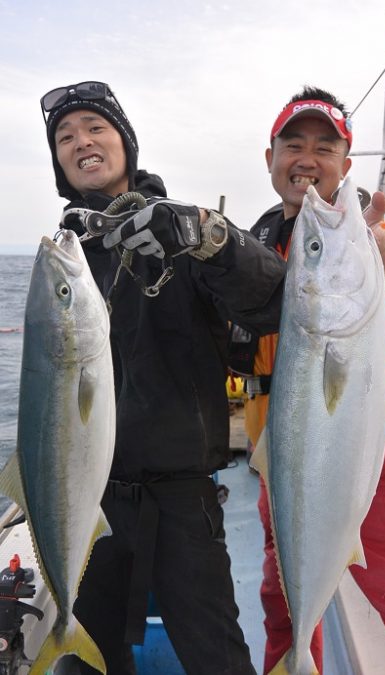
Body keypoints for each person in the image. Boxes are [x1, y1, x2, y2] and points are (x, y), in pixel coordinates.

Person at [40, 80, 288, 675]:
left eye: (96, 128)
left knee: (217, 659)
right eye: (65, 137)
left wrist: (213, 236)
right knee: (87, 665)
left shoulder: (185, 234)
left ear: (125, 143)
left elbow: (272, 302)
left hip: (183, 499)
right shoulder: (64, 258)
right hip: (88, 498)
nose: (82, 143)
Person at [231, 86, 385, 674]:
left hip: (372, 453)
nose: (308, 158)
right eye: (293, 144)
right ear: (271, 157)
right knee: (285, 611)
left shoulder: (374, 237)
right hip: (283, 462)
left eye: (325, 147)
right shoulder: (248, 253)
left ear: (346, 166)